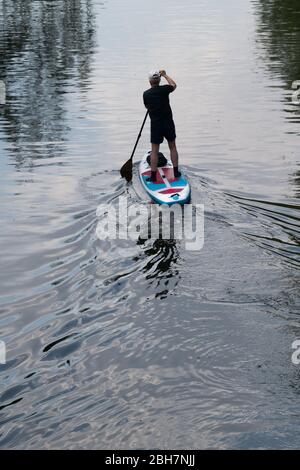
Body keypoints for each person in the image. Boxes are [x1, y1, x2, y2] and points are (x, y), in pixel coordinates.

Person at [143, 70, 181, 182]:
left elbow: (146, 106)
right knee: (173, 146)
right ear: (159, 80)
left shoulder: (146, 94)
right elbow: (174, 85)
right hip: (168, 123)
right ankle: (176, 171)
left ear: (150, 81)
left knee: (154, 151)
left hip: (156, 125)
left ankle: (153, 176)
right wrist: (165, 75)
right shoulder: (165, 89)